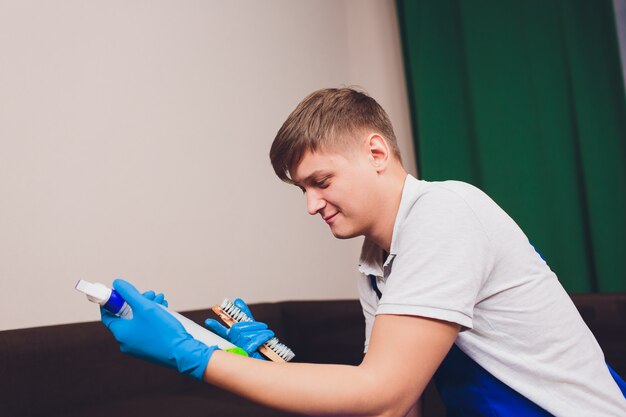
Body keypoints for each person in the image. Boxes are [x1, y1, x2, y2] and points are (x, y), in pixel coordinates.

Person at [102, 87, 626, 416]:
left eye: (320, 180)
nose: (311, 205)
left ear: (376, 152)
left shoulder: (443, 213)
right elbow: (394, 408)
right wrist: (265, 363)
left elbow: (385, 393)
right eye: (301, 190)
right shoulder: (377, 263)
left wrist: (195, 357)